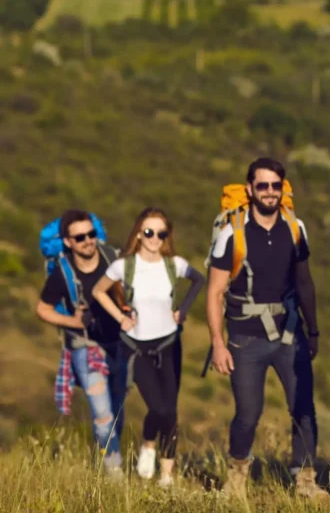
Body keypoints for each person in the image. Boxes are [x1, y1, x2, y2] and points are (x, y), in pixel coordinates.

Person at [206, 157, 327, 500]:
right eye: (263, 185)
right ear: (250, 189)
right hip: (245, 338)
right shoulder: (232, 234)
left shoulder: (295, 228)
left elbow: (305, 283)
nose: (270, 192)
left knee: (303, 408)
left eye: (276, 185)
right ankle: (236, 481)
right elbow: (215, 292)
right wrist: (218, 343)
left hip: (290, 333)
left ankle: (306, 482)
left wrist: (313, 331)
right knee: (248, 414)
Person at [91, 208, 205, 487]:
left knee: (170, 410)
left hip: (169, 344)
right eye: (149, 232)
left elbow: (199, 280)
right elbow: (98, 291)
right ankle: (148, 442)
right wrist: (120, 317)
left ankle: (166, 476)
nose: (155, 238)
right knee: (159, 407)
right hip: (136, 347)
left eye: (161, 233)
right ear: (139, 234)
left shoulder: (174, 264)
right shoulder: (124, 266)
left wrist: (183, 310)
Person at [36, 209, 128, 477]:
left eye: (91, 234)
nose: (88, 241)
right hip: (85, 347)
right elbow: (43, 309)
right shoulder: (62, 274)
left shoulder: (112, 258)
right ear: (68, 242)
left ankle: (108, 458)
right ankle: (114, 475)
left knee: (117, 410)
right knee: (103, 414)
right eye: (80, 237)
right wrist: (73, 322)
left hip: (119, 344)